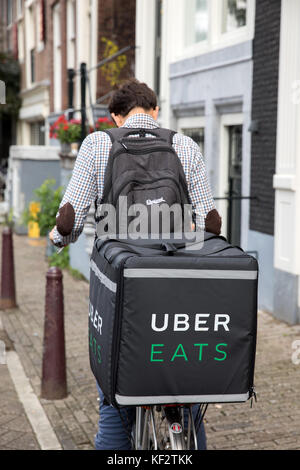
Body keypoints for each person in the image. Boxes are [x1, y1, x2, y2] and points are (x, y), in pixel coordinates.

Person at [50, 78, 221, 450]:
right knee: (185, 387)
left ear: (115, 117)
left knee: (115, 400)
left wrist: (59, 240)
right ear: (155, 111)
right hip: (175, 287)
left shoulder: (98, 143)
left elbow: (68, 220)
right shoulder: (184, 145)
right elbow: (211, 222)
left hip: (122, 289)